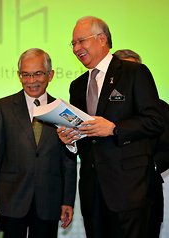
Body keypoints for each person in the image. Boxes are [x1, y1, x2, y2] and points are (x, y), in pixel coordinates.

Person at [57, 16, 164, 238]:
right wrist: (71, 140)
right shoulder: (77, 86)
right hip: (92, 192)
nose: (76, 48)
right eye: (73, 44)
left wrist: (115, 129)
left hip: (130, 190)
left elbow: (155, 120)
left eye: (81, 41)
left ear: (102, 39)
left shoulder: (134, 72)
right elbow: (85, 136)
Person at [0, 48, 77, 238]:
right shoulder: (2, 108)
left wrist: (68, 200)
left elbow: (68, 161)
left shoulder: (64, 111)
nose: (31, 81)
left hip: (49, 202)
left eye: (38, 74)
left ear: (50, 75)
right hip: (11, 200)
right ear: (19, 75)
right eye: (26, 74)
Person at [114, 48, 169, 238]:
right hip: (110, 191)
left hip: (147, 192)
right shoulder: (104, 107)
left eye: (137, 70)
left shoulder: (159, 107)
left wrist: (148, 166)